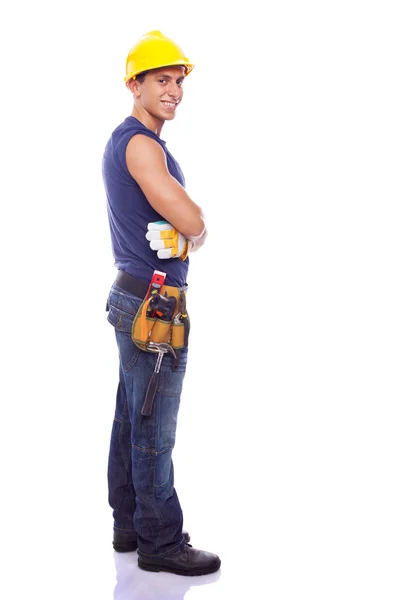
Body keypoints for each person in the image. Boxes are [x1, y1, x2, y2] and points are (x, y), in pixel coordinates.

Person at [102, 30, 221, 576]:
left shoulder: (137, 143)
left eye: (177, 81)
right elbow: (193, 220)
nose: (173, 90)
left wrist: (184, 231)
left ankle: (129, 523)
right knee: (154, 424)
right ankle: (161, 540)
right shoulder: (140, 144)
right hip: (155, 303)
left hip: (139, 295)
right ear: (135, 84)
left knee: (134, 411)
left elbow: (181, 221)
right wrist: (193, 232)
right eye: (161, 80)